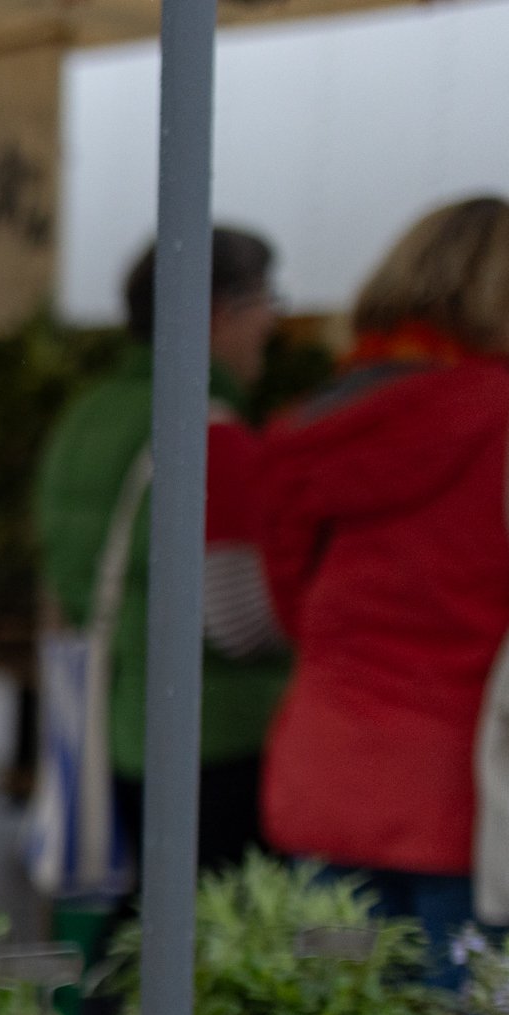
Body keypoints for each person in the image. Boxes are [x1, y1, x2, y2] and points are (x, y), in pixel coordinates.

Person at [259, 196, 509, 974]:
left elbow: (291, 603)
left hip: (321, 778)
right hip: (465, 798)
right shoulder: (499, 416)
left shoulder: (309, 425)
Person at [34, 226, 290, 882]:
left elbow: (59, 576)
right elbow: (236, 620)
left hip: (107, 724)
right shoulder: (211, 435)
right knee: (205, 951)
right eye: (266, 302)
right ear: (218, 313)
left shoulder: (86, 415)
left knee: (130, 940)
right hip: (209, 739)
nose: (273, 322)